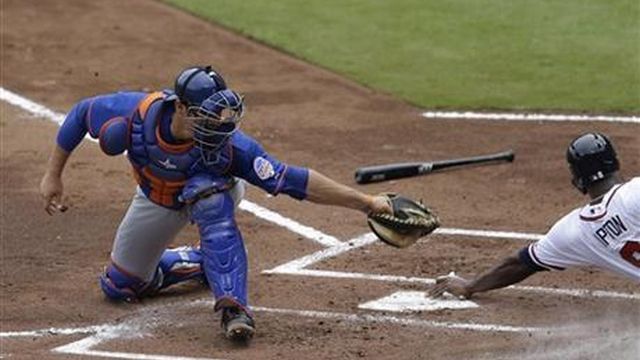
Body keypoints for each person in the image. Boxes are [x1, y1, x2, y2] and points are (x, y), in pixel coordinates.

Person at [40, 65, 392, 342]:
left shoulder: (231, 147)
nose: (216, 124)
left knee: (206, 193)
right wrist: (53, 176)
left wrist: (366, 203)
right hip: (156, 199)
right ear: (179, 107)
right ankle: (202, 263)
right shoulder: (133, 114)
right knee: (120, 286)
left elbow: (291, 180)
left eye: (219, 114)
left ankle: (234, 309)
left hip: (213, 193)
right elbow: (80, 115)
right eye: (205, 115)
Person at [430, 132, 639, 299]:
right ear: (614, 163)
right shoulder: (635, 192)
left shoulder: (574, 232)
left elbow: (520, 264)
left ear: (577, 180)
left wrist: (471, 286)